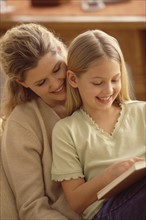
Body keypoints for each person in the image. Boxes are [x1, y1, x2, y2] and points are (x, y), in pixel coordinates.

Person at [51, 30, 146, 220]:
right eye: (98, 83)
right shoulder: (67, 131)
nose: (108, 90)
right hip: (107, 210)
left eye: (115, 79)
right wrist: (113, 174)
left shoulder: (142, 112)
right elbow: (76, 203)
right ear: (73, 79)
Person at [0, 23, 81, 220]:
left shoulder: (90, 89)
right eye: (41, 82)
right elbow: (32, 208)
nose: (56, 84)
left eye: (56, 69)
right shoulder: (22, 125)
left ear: (61, 51)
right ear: (22, 83)